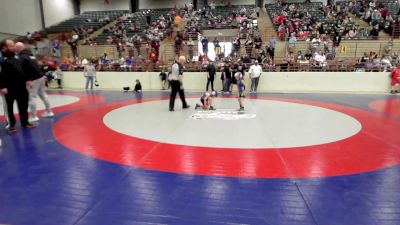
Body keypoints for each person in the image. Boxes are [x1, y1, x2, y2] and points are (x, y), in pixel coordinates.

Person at [0, 40, 36, 132]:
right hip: (8, 88)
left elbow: (23, 69)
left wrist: (29, 79)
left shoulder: (17, 56)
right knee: (9, 108)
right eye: (11, 46)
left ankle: (25, 122)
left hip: (21, 86)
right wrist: (2, 87)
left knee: (23, 105)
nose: (14, 47)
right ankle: (11, 124)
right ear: (4, 47)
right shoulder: (1, 58)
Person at [14, 42, 54, 122]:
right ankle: (49, 112)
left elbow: (25, 69)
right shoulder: (31, 55)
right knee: (43, 95)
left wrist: (28, 79)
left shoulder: (22, 57)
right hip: (41, 76)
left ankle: (33, 116)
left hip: (33, 79)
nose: (15, 49)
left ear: (18, 48)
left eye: (15, 48)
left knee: (31, 97)